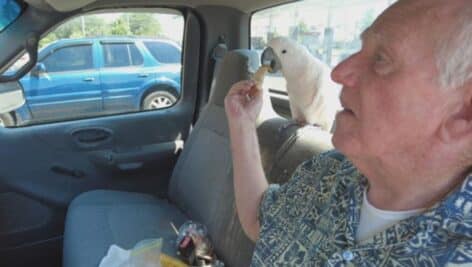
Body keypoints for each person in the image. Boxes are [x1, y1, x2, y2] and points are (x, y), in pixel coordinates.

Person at [224, 0, 472, 265]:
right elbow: (260, 222)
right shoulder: (327, 171)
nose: (338, 73)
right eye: (360, 49)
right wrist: (243, 125)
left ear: (463, 116)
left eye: (381, 59)